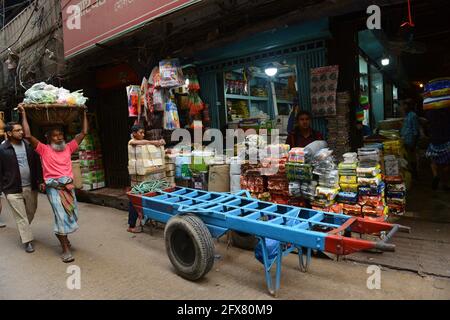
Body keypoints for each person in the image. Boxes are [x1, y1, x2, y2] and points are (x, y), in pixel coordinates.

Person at [18, 105, 88, 263]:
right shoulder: (43, 149)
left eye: (61, 134)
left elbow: (83, 133)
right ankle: (65, 249)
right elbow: (28, 135)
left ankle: (61, 236)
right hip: (54, 189)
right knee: (61, 217)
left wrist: (84, 113)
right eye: (55, 136)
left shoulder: (69, 148)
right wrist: (23, 114)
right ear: (48, 137)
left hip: (69, 188)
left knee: (72, 215)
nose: (60, 137)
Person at [0, 122, 42, 252]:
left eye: (21, 130)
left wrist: (40, 180)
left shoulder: (29, 145)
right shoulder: (2, 149)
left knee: (31, 211)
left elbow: (37, 164)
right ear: (9, 133)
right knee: (21, 216)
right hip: (12, 188)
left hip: (30, 186)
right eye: (17, 130)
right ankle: (27, 240)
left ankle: (24, 231)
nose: (21, 132)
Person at [127, 125, 165, 233]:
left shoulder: (143, 143)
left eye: (143, 132)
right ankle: (131, 226)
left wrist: (159, 142)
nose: (143, 134)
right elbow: (139, 142)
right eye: (140, 132)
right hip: (136, 179)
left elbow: (144, 142)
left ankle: (144, 219)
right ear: (134, 133)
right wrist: (154, 142)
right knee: (134, 201)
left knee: (144, 199)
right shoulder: (131, 142)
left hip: (143, 178)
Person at [425, 107, 450, 190]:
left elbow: (427, 124)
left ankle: (435, 175)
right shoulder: (446, 112)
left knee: (433, 161)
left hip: (434, 141)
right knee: (446, 163)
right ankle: (445, 183)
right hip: (446, 141)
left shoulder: (431, 113)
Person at [400, 99, 420, 179]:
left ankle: (414, 174)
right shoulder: (407, 115)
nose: (403, 107)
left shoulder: (413, 115)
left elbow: (415, 131)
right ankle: (412, 174)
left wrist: (414, 143)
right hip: (406, 140)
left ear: (409, 106)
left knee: (412, 158)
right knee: (408, 158)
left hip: (411, 141)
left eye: (405, 105)